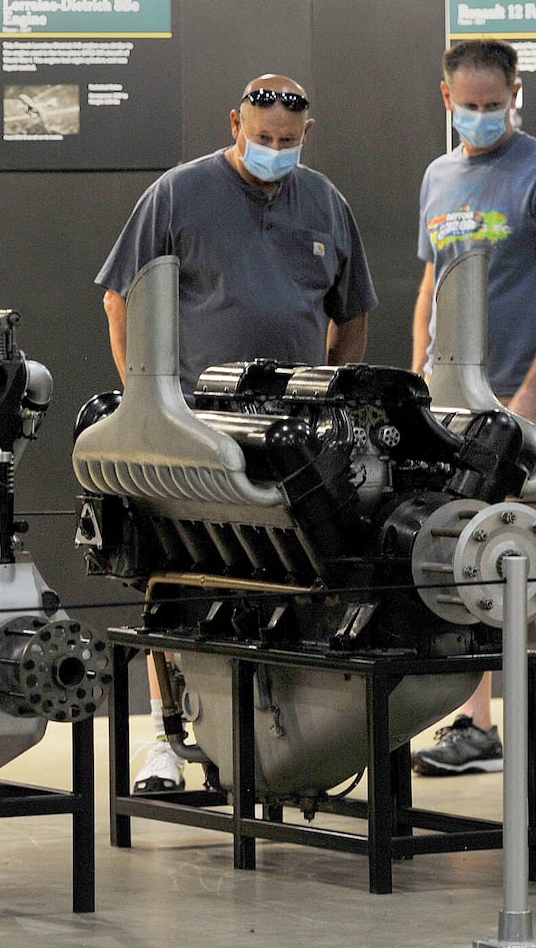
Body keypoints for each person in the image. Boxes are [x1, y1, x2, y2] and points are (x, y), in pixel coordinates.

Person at [96, 74, 378, 792]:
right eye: (261, 140)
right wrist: (143, 399)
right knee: (176, 580)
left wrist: (329, 399)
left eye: (287, 142)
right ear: (234, 125)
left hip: (292, 434)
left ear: (306, 134)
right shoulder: (177, 195)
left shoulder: (325, 202)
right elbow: (119, 298)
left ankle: (270, 745)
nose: (273, 151)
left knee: (290, 584)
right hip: (193, 425)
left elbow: (352, 313)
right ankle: (165, 739)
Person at [409, 39, 536, 775]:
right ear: (446, 98)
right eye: (471, 105)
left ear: (516, 95)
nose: (483, 116)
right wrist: (417, 375)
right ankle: (474, 722)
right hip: (449, 400)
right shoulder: (437, 176)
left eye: (496, 104)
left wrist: (534, 392)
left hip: (527, 395)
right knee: (460, 552)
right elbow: (431, 286)